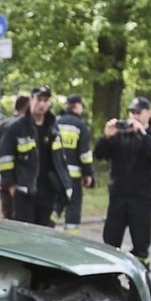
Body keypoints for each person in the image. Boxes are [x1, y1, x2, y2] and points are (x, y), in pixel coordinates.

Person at [93, 97, 151, 263]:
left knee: (141, 245)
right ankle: (108, 281)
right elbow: (99, 154)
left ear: (149, 113)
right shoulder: (121, 134)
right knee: (110, 242)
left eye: (138, 112)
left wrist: (142, 133)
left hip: (142, 197)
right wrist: (106, 137)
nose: (134, 116)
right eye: (132, 112)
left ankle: (138, 283)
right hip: (118, 195)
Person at [0, 85, 71, 227]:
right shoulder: (16, 127)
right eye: (39, 99)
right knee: (24, 234)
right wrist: (11, 186)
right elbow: (5, 159)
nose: (42, 104)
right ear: (31, 100)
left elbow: (60, 160)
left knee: (44, 234)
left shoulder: (53, 128)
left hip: (47, 191)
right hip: (24, 192)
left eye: (45, 100)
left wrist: (64, 184)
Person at [55, 94, 96, 231]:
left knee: (55, 207)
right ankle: (71, 238)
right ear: (77, 106)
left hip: (56, 175)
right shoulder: (80, 126)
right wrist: (88, 174)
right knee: (73, 208)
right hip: (73, 177)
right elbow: (85, 155)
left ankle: (47, 231)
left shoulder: (56, 122)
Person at [0, 93, 29, 220]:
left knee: (7, 214)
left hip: (5, 180)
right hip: (22, 180)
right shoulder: (26, 126)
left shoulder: (3, 125)